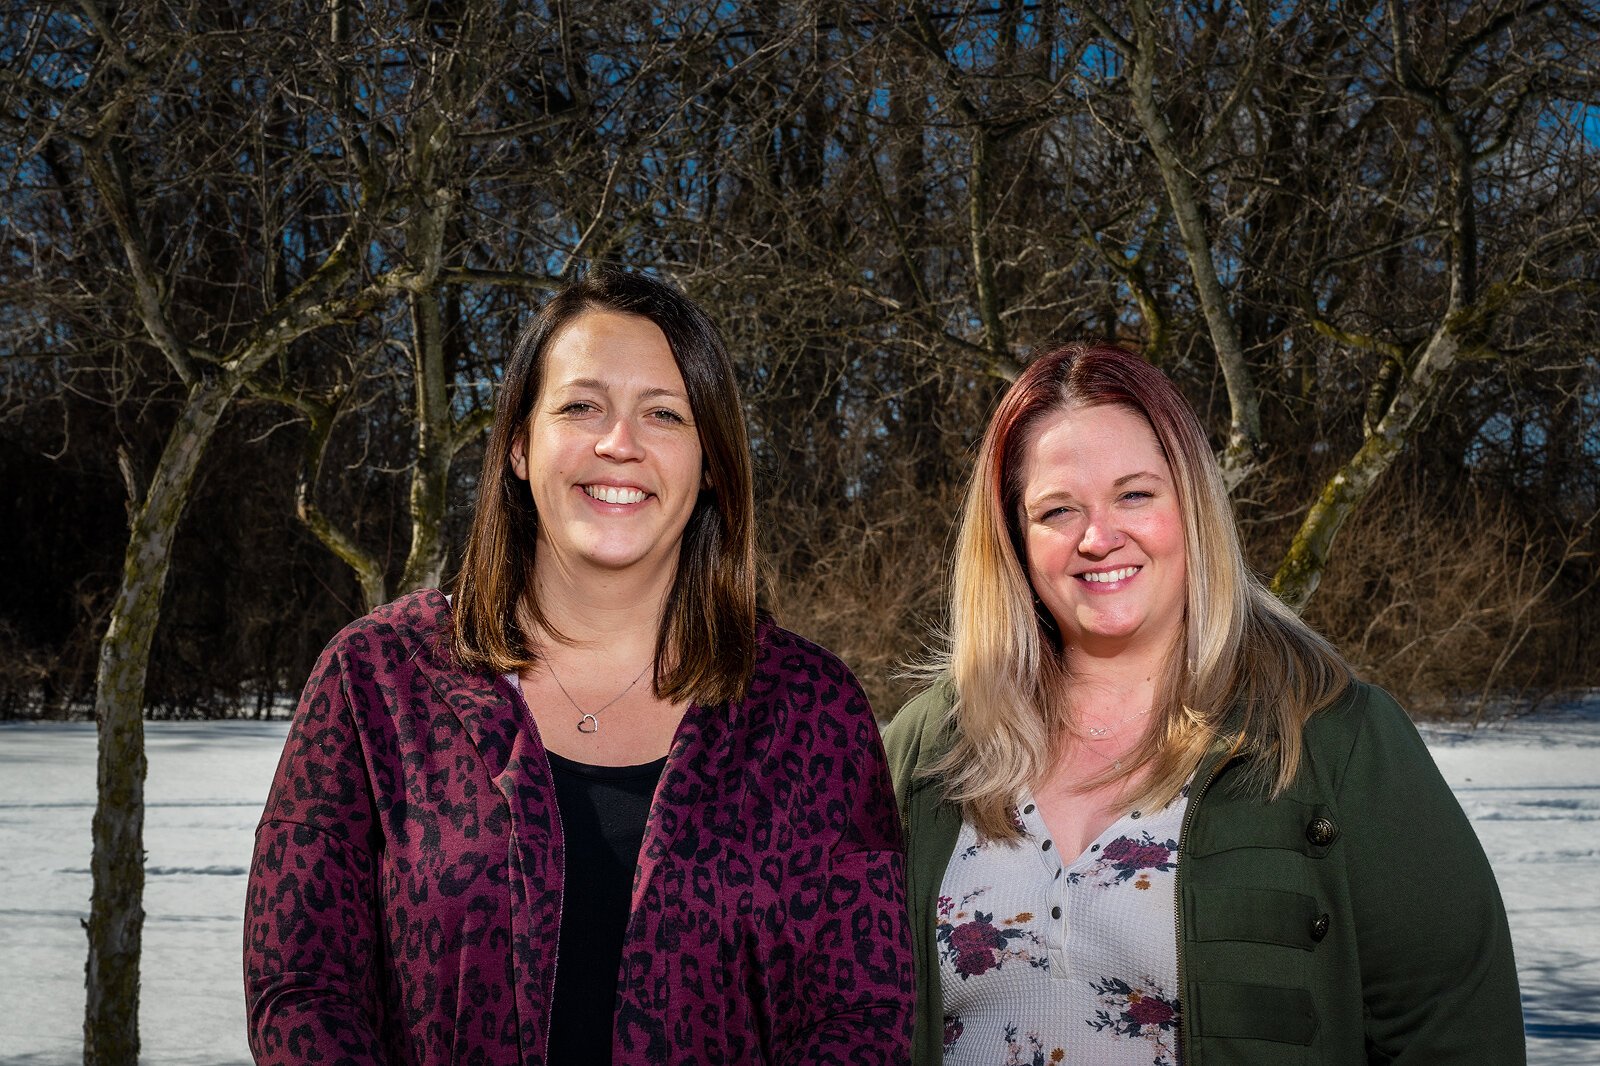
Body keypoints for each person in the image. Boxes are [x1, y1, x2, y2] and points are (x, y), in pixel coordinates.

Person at [244, 270, 913, 1065]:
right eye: (580, 406)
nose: (619, 443)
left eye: (664, 413)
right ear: (520, 446)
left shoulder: (811, 711)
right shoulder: (377, 679)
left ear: (711, 465)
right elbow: (302, 989)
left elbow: (866, 1013)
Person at [883, 343, 1524, 1065]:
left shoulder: (1331, 740)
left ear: (1192, 505)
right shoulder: (930, 747)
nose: (1098, 538)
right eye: (1058, 510)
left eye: (1135, 494)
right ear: (1015, 541)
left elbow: (1455, 1033)